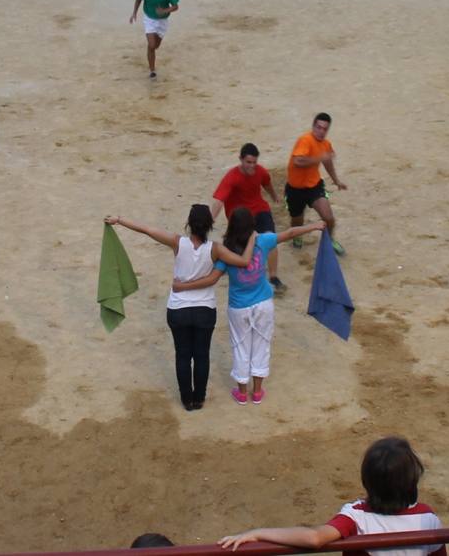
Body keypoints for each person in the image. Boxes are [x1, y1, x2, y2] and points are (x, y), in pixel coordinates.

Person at [172, 210, 325, 404]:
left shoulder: (226, 251)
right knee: (262, 345)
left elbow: (211, 279)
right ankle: (258, 392)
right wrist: (314, 226)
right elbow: (290, 233)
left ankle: (242, 392)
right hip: (263, 303)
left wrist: (182, 286)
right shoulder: (263, 241)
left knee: (240, 347)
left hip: (239, 307)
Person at [104, 207, 241, 411]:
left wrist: (119, 220)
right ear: (209, 226)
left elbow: (147, 229)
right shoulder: (216, 249)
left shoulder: (178, 242)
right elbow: (242, 261)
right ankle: (199, 398)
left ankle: (186, 400)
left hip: (178, 309)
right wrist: (253, 242)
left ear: (189, 224)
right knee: (202, 355)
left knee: (183, 355)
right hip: (204, 309)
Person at [218, 437, 445, 555]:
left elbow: (314, 538)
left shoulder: (357, 516)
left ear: (367, 480)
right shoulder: (428, 518)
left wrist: (258, 533)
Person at [285, 113, 347, 254]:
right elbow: (298, 161)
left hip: (314, 186)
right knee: (297, 219)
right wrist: (320, 157)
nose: (321, 131)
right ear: (313, 126)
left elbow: (327, 161)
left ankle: (329, 240)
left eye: (325, 129)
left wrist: (336, 180)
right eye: (319, 127)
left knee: (328, 217)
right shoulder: (305, 140)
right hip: (295, 189)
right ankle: (297, 236)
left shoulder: (326, 144)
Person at [210, 143, 280, 239]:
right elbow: (219, 200)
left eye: (254, 162)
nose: (252, 166)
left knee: (270, 238)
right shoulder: (232, 177)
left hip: (260, 209)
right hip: (240, 216)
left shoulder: (261, 171)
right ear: (241, 159)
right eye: (248, 162)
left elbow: (266, 184)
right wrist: (211, 220)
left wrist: (274, 195)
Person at [129, 0, 178, 79]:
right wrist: (134, 13)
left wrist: (164, 11)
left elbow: (175, 6)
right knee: (151, 45)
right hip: (149, 19)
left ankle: (150, 52)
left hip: (163, 22)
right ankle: (152, 70)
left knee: (155, 46)